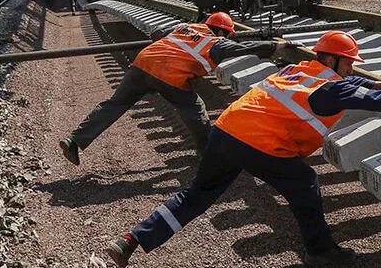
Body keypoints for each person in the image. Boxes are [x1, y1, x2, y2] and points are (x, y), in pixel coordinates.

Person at [103, 31, 381, 268]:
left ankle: (132, 239)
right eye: (349, 62)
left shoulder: (300, 70)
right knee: (304, 183)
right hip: (258, 144)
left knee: (197, 194)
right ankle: (321, 251)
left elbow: (352, 84)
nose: (352, 67)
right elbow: (374, 98)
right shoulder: (331, 87)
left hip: (225, 131)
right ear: (334, 61)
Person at [59, 12, 279, 164]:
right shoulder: (216, 43)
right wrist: (275, 46)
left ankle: (75, 141)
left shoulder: (185, 27)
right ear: (222, 32)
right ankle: (208, 155)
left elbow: (156, 34)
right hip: (170, 75)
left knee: (114, 104)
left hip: (142, 64)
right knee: (195, 109)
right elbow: (244, 48)